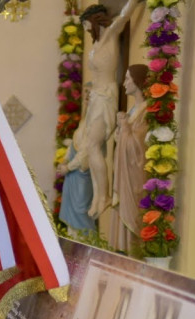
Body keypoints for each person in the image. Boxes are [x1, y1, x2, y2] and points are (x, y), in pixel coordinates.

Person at [64, 0, 142, 218]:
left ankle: (104, 196)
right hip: (96, 98)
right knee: (91, 146)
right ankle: (99, 197)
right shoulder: (97, 44)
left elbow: (124, 16)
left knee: (94, 145)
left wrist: (134, 2)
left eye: (86, 24)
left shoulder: (109, 35)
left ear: (94, 20)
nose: (85, 28)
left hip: (106, 97)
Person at [110, 64, 149, 252]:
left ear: (137, 81)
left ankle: (130, 256)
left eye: (127, 78)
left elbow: (138, 147)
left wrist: (125, 127)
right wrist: (121, 128)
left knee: (132, 217)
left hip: (133, 174)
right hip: (123, 171)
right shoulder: (134, 108)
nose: (124, 83)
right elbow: (122, 140)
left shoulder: (146, 110)